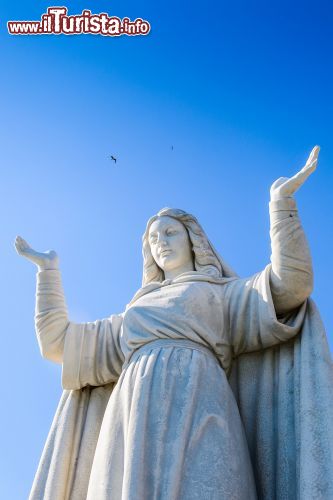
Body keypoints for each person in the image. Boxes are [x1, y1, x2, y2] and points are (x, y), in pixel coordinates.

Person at [15, 147, 333, 500]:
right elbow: (57, 342)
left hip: (203, 405)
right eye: (153, 239)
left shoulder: (222, 295)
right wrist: (48, 272)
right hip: (131, 420)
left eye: (170, 233)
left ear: (193, 241)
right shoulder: (132, 317)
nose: (160, 243)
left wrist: (281, 205)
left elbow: (292, 285)